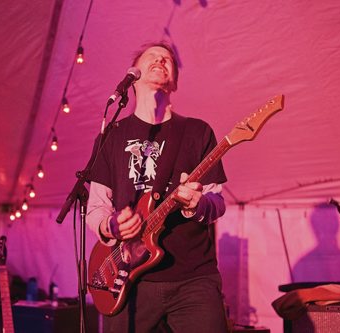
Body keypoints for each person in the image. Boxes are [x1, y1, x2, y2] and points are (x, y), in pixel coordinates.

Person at [87, 41, 229, 333]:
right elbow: (96, 206)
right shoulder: (110, 136)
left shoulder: (197, 131)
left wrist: (197, 205)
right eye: (151, 56)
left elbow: (217, 202)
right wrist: (110, 226)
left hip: (193, 279)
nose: (161, 60)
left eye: (168, 59)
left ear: (174, 81)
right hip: (128, 279)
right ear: (133, 74)